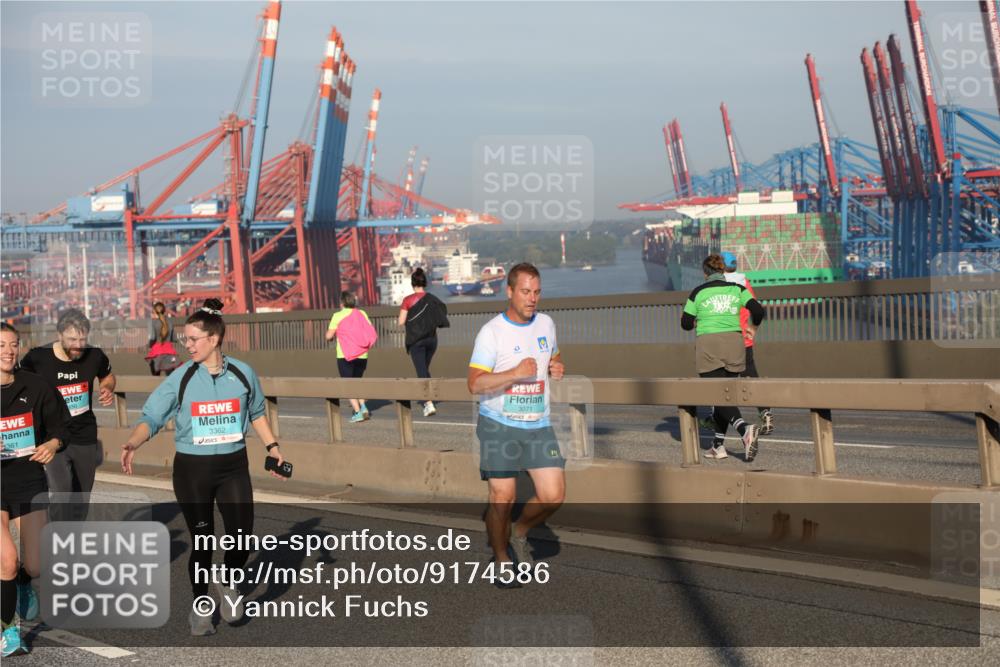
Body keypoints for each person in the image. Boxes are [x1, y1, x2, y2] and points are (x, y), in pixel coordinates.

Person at [120, 298, 286, 636]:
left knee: (241, 538)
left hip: (233, 466)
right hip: (192, 471)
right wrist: (134, 442)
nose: (187, 345)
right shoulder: (180, 377)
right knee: (203, 541)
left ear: (214, 339)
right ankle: (200, 609)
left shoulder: (242, 373)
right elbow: (151, 416)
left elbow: (256, 413)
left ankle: (228, 579)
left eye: (193, 339)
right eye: (185, 339)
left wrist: (274, 448)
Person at [467, 263, 565, 588]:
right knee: (502, 496)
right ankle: (501, 558)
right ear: (509, 291)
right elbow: (475, 384)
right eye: (525, 291)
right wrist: (513, 374)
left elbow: (552, 357)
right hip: (499, 424)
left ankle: (519, 532)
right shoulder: (491, 332)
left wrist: (556, 367)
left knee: (553, 495)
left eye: (537, 292)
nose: (532, 298)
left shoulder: (547, 324)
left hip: (538, 423)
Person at [1, 322, 71, 657]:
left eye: (13, 345)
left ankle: (26, 584)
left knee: (35, 564)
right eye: (1, 345)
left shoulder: (36, 386)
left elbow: (60, 426)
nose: (8, 351)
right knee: (7, 562)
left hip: (27, 481)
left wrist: (53, 444)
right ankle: (7, 632)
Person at [20, 309, 115, 520]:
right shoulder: (37, 358)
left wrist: (107, 387)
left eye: (82, 339)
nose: (78, 345)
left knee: (81, 498)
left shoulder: (95, 355)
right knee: (61, 493)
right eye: (72, 339)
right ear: (59, 334)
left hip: (84, 435)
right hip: (52, 436)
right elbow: (17, 382)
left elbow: (107, 376)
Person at [681, 254, 766, 462]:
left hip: (709, 346)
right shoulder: (738, 290)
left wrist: (698, 319)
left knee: (716, 394)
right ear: (722, 271)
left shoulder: (698, 292)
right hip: (735, 344)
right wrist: (752, 329)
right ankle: (718, 446)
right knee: (725, 394)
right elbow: (757, 309)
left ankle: (744, 430)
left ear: (705, 272)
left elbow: (686, 323)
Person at [722, 251, 774, 435]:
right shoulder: (744, 281)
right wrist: (753, 327)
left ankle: (721, 423)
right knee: (751, 375)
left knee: (720, 384)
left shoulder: (717, 284)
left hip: (725, 339)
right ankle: (765, 412)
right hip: (744, 338)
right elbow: (756, 308)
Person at [398, 268, 449, 417]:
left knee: (421, 371)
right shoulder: (433, 298)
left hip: (416, 341)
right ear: (424, 282)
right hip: (432, 340)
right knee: (424, 369)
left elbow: (401, 322)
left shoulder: (408, 300)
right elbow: (442, 312)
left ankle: (428, 403)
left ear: (412, 283)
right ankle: (429, 395)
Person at [326, 291, 377, 423]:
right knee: (357, 382)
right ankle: (364, 407)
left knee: (348, 385)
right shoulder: (362, 313)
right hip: (362, 355)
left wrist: (333, 335)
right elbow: (369, 330)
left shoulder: (337, 316)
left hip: (345, 355)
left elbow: (328, 336)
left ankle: (357, 412)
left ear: (342, 302)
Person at [145, 302, 180, 376]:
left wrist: (149, 346)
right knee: (170, 377)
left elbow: (152, 338)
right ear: (164, 311)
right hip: (168, 351)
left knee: (155, 377)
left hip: (156, 351)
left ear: (154, 312)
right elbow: (174, 338)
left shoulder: (152, 322)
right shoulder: (169, 322)